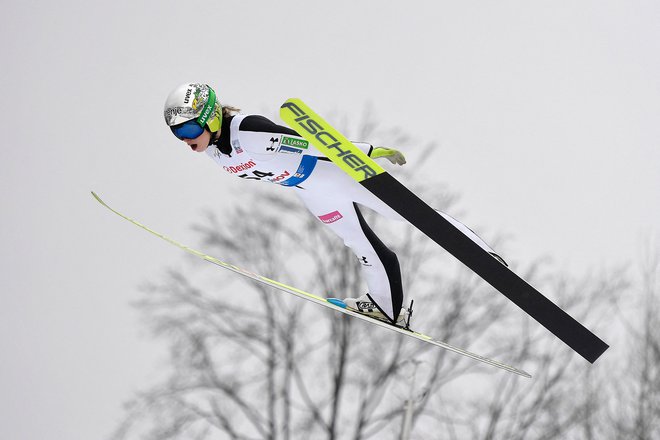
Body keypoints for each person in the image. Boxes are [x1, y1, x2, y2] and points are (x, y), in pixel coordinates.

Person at [163, 82, 505, 327]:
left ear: (209, 117)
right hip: (308, 188)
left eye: (190, 128)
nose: (186, 139)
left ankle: (483, 255)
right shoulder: (213, 151)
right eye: (178, 134)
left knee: (410, 215)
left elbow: (309, 143)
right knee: (358, 242)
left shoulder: (247, 131)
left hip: (332, 173)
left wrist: (367, 150)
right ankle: (388, 307)